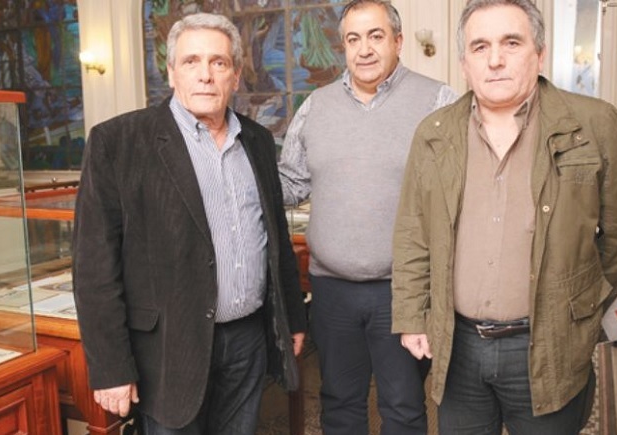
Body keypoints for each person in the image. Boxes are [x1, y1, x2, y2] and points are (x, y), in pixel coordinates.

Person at [391, 0, 617, 434]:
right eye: (480, 47)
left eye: (511, 43)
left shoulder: (594, 125)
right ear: (464, 63)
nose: (495, 59)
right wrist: (411, 316)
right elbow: (412, 234)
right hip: (458, 347)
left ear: (540, 53)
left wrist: (582, 302)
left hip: (548, 346)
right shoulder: (434, 135)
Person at [72, 13, 307, 435]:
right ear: (171, 72)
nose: (205, 75)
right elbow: (94, 269)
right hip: (168, 351)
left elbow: (276, 240)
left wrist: (291, 320)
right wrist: (110, 367)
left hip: (248, 341)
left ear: (236, 75)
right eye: (191, 61)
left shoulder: (257, 140)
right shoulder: (118, 142)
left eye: (218, 62)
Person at [278, 1, 457, 433]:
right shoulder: (315, 106)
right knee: (339, 403)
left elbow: (458, 193)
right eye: (353, 39)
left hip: (404, 291)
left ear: (398, 40)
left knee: (403, 406)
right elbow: (290, 184)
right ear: (343, 46)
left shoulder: (438, 100)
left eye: (376, 36)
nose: (364, 49)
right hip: (330, 289)